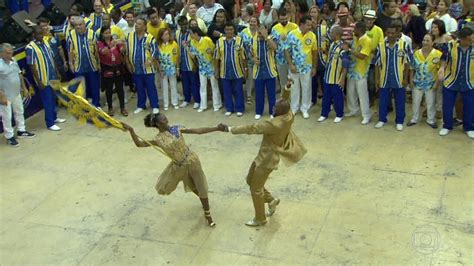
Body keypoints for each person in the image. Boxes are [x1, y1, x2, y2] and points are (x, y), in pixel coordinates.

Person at [218, 79, 307, 227]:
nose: (272, 108)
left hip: (267, 160)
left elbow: (252, 128)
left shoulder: (274, 124)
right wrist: (287, 87)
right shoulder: (288, 114)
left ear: (279, 112)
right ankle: (271, 201)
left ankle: (260, 218)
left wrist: (229, 128)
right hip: (263, 156)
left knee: (255, 188)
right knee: (250, 180)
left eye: (274, 108)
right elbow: (285, 101)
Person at [122, 114, 221, 227]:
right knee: (192, 186)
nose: (166, 119)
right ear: (158, 124)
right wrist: (131, 130)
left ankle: (208, 215)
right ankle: (203, 200)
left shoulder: (176, 128)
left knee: (201, 186)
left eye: (165, 117)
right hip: (179, 166)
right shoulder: (158, 139)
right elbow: (139, 144)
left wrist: (216, 128)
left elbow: (197, 131)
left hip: (192, 161)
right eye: (163, 119)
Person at [374, 20, 413, 131]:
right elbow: (377, 64)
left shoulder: (404, 45)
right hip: (384, 78)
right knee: (383, 100)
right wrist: (377, 79)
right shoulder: (380, 46)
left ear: (397, 33)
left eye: (393, 33)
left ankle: (399, 121)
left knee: (400, 101)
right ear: (386, 33)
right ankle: (382, 119)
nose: (390, 35)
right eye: (388, 33)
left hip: (399, 78)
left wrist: (406, 79)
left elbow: (407, 63)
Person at [438, 27, 474, 139]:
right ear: (462, 39)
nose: (472, 41)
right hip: (451, 80)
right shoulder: (450, 45)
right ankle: (447, 126)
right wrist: (442, 69)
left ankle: (469, 127)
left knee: (470, 106)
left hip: (470, 82)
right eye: (469, 39)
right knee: (447, 105)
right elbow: (444, 58)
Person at [0, 43, 36, 147]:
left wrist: (24, 88)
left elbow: (19, 74)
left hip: (16, 93)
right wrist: (0, 95)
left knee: (19, 111)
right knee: (7, 116)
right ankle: (9, 137)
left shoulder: (14, 60)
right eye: (7, 53)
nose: (10, 54)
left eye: (11, 52)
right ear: (1, 53)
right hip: (4, 95)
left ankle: (21, 130)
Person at [285, 15, 318, 119]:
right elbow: (286, 50)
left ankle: (305, 108)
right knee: (294, 88)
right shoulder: (292, 34)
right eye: (308, 25)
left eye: (311, 24)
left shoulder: (312, 36)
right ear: (302, 24)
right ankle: (294, 108)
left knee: (306, 87)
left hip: (306, 67)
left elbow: (314, 52)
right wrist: (290, 64)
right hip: (294, 67)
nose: (310, 27)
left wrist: (314, 67)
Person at [125, 17, 160, 115]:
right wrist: (128, 64)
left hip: (148, 70)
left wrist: (149, 60)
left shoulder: (150, 38)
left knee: (151, 88)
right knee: (139, 88)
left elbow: (155, 52)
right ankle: (141, 105)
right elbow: (127, 52)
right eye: (136, 23)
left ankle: (155, 106)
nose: (136, 25)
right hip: (135, 69)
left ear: (145, 26)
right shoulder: (129, 36)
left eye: (139, 24)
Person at [407, 34, 441, 129]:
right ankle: (414, 118)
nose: (425, 42)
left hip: (431, 82)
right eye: (424, 40)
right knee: (416, 101)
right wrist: (410, 80)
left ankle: (431, 120)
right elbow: (412, 68)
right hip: (417, 81)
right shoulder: (416, 53)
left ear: (432, 42)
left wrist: (437, 83)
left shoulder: (438, 54)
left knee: (430, 102)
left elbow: (440, 71)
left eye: (427, 40)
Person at [318, 25, 349, 123]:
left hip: (337, 78)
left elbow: (345, 64)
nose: (330, 35)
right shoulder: (332, 45)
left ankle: (339, 114)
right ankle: (324, 114)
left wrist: (342, 78)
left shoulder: (342, 47)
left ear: (336, 34)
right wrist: (324, 51)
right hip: (328, 76)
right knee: (326, 96)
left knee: (337, 97)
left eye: (331, 33)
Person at [67, 17, 101, 108]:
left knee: (94, 86)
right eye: (76, 25)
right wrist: (70, 64)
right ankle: (84, 106)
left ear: (84, 24)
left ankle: (96, 104)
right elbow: (70, 51)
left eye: (80, 24)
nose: (78, 27)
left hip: (92, 64)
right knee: (81, 88)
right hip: (79, 65)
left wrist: (98, 63)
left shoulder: (92, 33)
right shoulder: (71, 35)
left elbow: (97, 51)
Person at [214, 22, 247, 117]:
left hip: (238, 71)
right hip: (224, 71)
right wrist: (216, 70)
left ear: (234, 30)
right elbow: (216, 57)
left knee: (238, 90)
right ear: (224, 30)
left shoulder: (239, 41)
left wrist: (245, 69)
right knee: (226, 91)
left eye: (231, 29)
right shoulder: (219, 41)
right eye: (227, 30)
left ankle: (239, 108)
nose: (229, 31)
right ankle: (229, 108)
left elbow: (244, 57)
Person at [187, 27, 223, 112]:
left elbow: (215, 52)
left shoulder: (207, 40)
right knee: (202, 86)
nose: (190, 35)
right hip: (202, 68)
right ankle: (203, 105)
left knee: (214, 86)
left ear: (196, 33)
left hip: (211, 66)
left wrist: (216, 68)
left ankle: (217, 104)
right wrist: (187, 48)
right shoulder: (192, 42)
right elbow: (193, 56)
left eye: (191, 33)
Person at [98, 26, 128, 117]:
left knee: (120, 89)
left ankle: (123, 107)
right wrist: (109, 45)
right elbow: (103, 52)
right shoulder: (100, 43)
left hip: (118, 67)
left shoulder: (115, 41)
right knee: (109, 89)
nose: (108, 34)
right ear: (102, 34)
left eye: (109, 32)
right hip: (107, 68)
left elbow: (122, 50)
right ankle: (110, 108)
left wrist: (124, 44)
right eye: (106, 33)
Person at [346, 21, 372, 124]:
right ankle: (353, 110)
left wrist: (349, 50)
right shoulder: (356, 38)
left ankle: (366, 115)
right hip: (352, 70)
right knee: (350, 92)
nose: (353, 31)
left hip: (361, 72)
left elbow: (362, 56)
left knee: (362, 95)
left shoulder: (367, 40)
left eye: (355, 29)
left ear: (360, 30)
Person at [252, 25, 278, 120]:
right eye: (260, 29)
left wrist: (266, 37)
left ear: (267, 30)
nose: (261, 31)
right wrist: (253, 59)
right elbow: (250, 53)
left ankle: (273, 112)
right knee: (259, 94)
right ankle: (259, 111)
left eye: (263, 29)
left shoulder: (272, 38)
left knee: (271, 94)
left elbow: (275, 48)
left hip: (270, 71)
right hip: (258, 72)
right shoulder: (253, 40)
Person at [271, 8, 298, 93]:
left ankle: (293, 101)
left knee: (293, 82)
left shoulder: (294, 27)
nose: (284, 21)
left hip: (292, 59)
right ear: (279, 18)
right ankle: (284, 101)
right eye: (282, 19)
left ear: (289, 17)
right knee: (283, 82)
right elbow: (274, 43)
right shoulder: (274, 28)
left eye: (286, 19)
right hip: (280, 59)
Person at [176, 16, 201, 109]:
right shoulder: (177, 33)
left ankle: (197, 100)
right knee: (185, 83)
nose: (184, 26)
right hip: (182, 63)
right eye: (182, 24)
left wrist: (196, 63)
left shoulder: (191, 34)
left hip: (191, 63)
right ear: (179, 25)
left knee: (194, 82)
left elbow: (196, 49)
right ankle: (187, 99)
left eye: (186, 24)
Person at [157, 28, 180, 111]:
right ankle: (166, 104)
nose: (168, 36)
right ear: (161, 36)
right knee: (164, 87)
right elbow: (157, 59)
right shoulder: (158, 45)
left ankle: (175, 102)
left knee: (173, 85)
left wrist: (177, 68)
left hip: (172, 68)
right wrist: (159, 70)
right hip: (163, 69)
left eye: (168, 34)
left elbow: (177, 57)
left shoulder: (174, 44)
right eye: (165, 34)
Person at [239, 16, 259, 104]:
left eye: (254, 21)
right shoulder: (244, 32)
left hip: (259, 59)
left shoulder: (260, 32)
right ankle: (249, 95)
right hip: (247, 59)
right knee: (249, 77)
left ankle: (258, 94)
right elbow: (239, 43)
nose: (252, 23)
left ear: (257, 23)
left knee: (258, 77)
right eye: (251, 21)